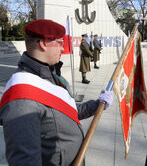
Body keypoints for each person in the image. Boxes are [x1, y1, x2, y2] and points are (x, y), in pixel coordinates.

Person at [0, 19, 113, 166]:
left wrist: (98, 104)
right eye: (60, 43)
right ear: (43, 43)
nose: (62, 48)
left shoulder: (54, 75)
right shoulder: (21, 98)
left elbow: (70, 111)